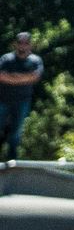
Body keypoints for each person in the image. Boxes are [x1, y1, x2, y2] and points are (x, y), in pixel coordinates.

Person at [0, 31, 41, 161]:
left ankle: (12, 162)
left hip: (22, 102)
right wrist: (23, 78)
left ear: (30, 45)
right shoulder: (6, 59)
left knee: (15, 133)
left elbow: (34, 77)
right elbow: (1, 76)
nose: (22, 46)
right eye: (20, 43)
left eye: (26, 43)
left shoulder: (35, 61)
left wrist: (12, 77)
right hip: (3, 101)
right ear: (15, 44)